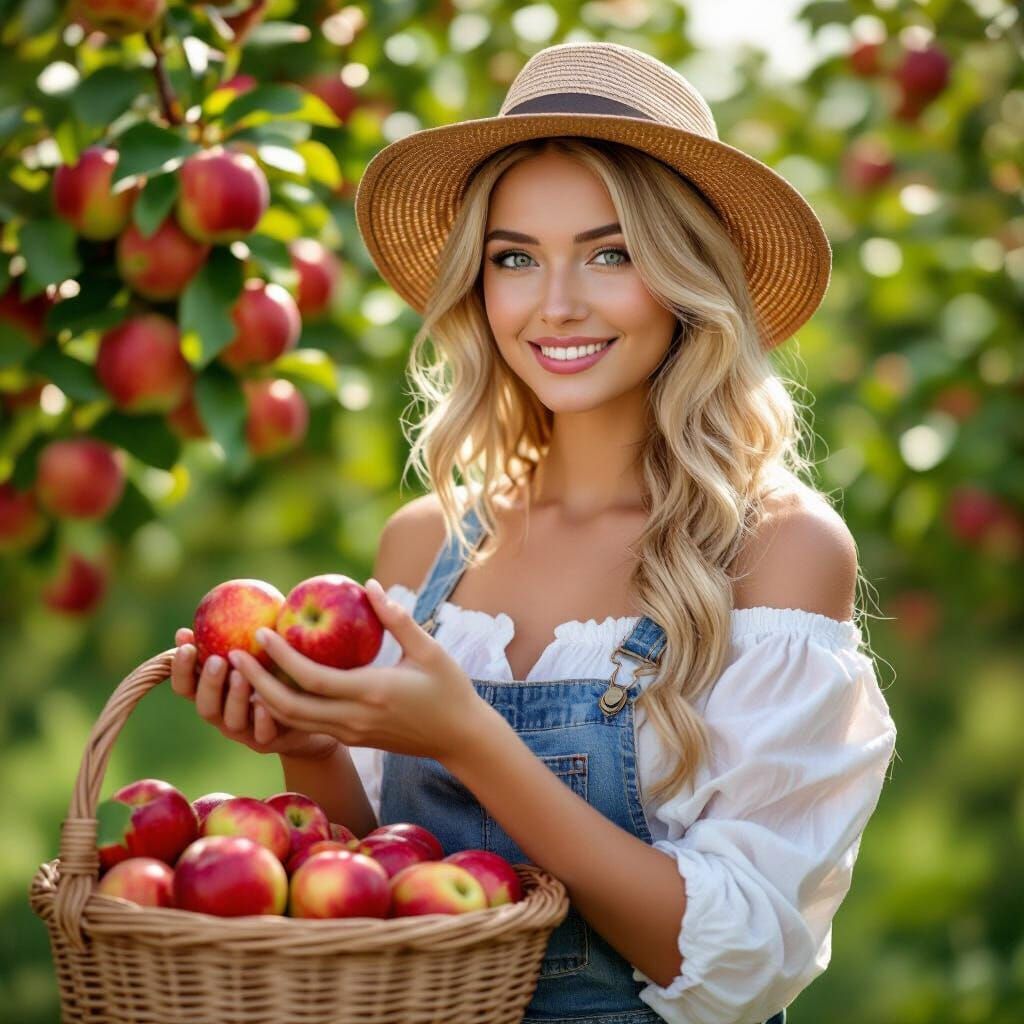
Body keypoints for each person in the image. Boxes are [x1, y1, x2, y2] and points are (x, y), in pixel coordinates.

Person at [170, 41, 898, 1024]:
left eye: (610, 254)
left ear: (687, 278)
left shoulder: (773, 549)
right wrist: (307, 748)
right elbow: (376, 881)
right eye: (515, 258)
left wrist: (470, 740)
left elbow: (744, 964)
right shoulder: (424, 546)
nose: (555, 303)